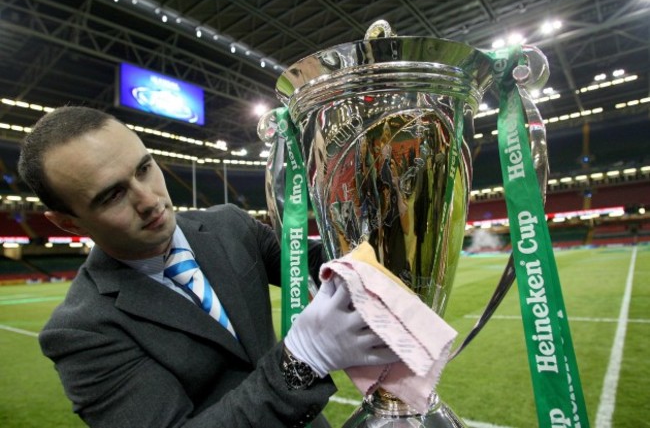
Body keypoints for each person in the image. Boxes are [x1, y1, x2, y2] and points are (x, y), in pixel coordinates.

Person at [18, 106, 398, 428]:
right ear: (68, 223)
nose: (149, 200)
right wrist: (303, 359)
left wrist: (380, 208)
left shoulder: (229, 224)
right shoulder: (81, 332)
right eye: (113, 195)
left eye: (144, 168)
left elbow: (315, 263)